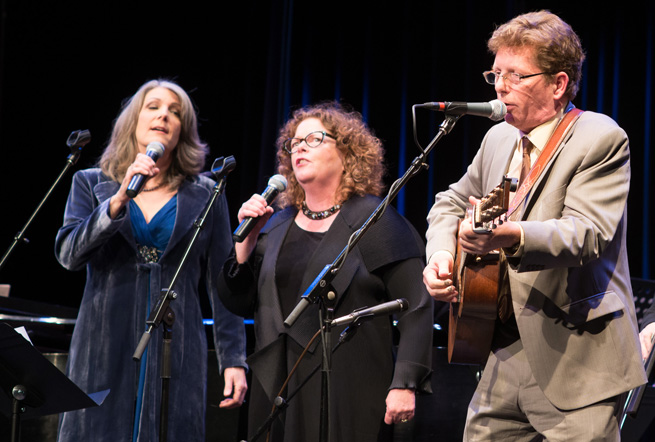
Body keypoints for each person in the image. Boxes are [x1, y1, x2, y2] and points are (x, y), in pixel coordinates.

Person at [422, 10, 647, 441]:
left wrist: (511, 235)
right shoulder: (499, 139)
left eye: (516, 76)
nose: (501, 87)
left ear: (559, 83)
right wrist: (442, 255)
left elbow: (588, 233)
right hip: (501, 352)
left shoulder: (599, 137)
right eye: (496, 74)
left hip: (576, 356)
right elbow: (449, 201)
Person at [217, 102, 434, 442]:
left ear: (348, 152)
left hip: (351, 389)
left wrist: (405, 383)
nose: (299, 147)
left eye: (314, 139)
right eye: (293, 143)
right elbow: (240, 303)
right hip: (277, 389)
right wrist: (244, 247)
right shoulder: (275, 225)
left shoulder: (375, 222)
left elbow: (418, 305)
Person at [55, 79, 248, 442]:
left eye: (176, 112)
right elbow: (68, 256)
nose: (164, 115)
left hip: (176, 347)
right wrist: (116, 203)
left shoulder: (207, 192)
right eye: (154, 106)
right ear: (134, 120)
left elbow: (223, 281)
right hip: (103, 347)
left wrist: (233, 359)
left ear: (183, 131)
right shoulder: (91, 183)